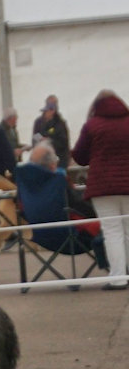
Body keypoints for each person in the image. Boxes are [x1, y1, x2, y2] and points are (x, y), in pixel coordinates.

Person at [72, 89, 129, 290]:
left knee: (112, 231)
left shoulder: (92, 125)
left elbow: (80, 157)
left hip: (103, 186)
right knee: (128, 231)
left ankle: (118, 278)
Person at [32, 95, 70, 169]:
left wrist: (49, 141)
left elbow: (64, 142)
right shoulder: (38, 122)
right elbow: (35, 136)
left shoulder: (60, 123)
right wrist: (41, 140)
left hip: (59, 161)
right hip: (42, 162)